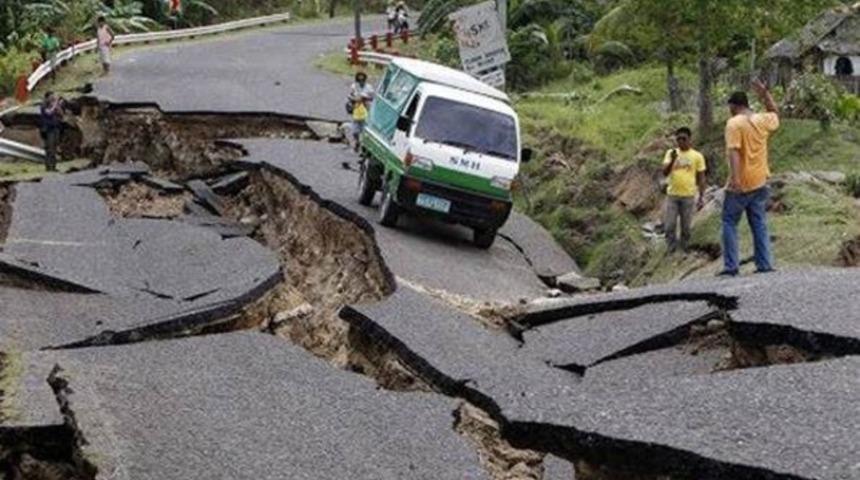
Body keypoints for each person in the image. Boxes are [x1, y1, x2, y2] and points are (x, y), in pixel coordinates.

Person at [719, 80, 780, 276]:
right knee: (759, 223)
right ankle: (764, 264)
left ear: (734, 106)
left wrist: (735, 180)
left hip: (742, 183)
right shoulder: (761, 119)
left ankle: (731, 266)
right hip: (760, 180)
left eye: (730, 107)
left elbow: (734, 152)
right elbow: (775, 114)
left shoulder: (734, 123)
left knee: (729, 222)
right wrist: (765, 94)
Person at [661, 127, 706, 253]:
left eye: (684, 139)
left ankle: (684, 247)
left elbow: (701, 177)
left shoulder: (697, 156)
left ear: (689, 139)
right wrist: (673, 160)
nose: (681, 142)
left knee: (686, 226)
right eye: (678, 139)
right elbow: (664, 172)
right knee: (669, 225)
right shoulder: (671, 153)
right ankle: (671, 248)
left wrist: (701, 196)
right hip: (672, 195)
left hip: (688, 195)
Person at [349, 72, 374, 152]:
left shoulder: (369, 88)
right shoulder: (354, 87)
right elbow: (350, 96)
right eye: (359, 80)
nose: (361, 82)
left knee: (365, 128)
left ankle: (365, 144)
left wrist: (364, 98)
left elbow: (372, 98)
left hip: (366, 110)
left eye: (362, 80)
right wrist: (354, 99)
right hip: (356, 109)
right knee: (354, 130)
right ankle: (357, 141)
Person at [40, 91, 65, 172]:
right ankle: (48, 167)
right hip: (48, 130)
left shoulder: (54, 105)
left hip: (56, 128)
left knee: (54, 149)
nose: (53, 98)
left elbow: (61, 114)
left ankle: (53, 167)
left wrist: (58, 106)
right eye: (51, 97)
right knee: (49, 149)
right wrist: (55, 104)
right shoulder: (44, 105)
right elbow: (49, 113)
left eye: (53, 97)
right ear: (47, 98)